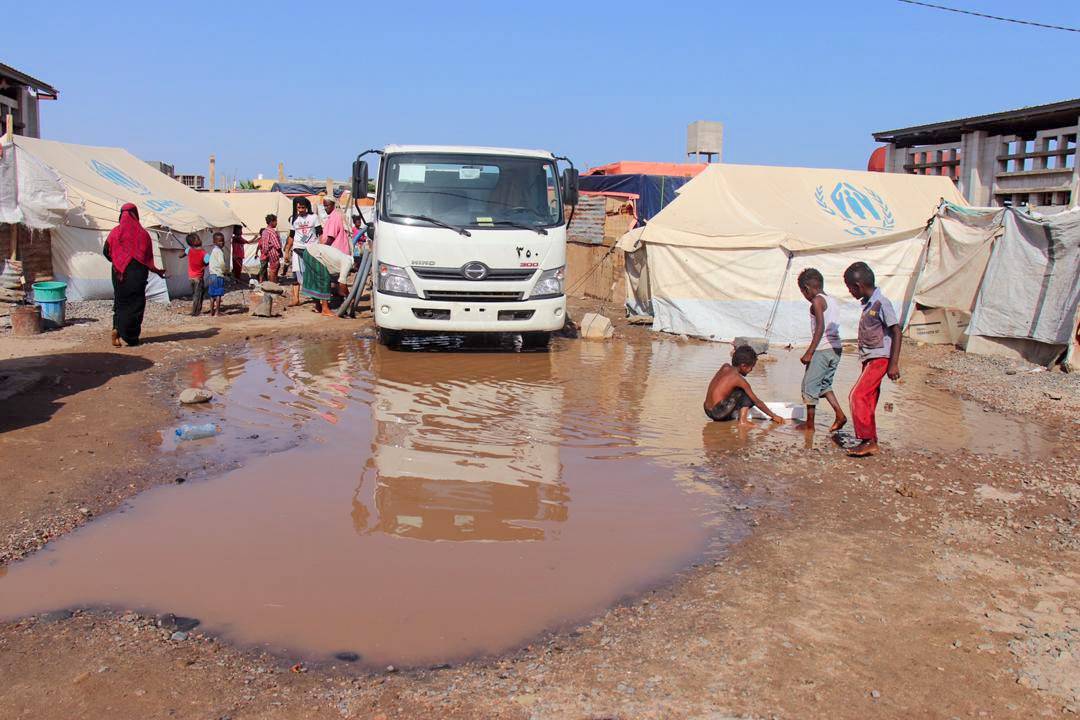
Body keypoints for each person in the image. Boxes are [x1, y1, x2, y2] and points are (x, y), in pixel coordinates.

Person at [844, 261, 902, 457]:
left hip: (880, 358)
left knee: (857, 396)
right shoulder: (868, 305)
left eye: (850, 288)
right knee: (868, 398)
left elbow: (896, 331)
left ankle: (867, 440)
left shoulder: (881, 303)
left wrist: (893, 363)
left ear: (858, 286)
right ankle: (871, 440)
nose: (850, 292)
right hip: (870, 358)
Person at [103, 203, 166, 346]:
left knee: (120, 302)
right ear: (135, 214)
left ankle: (116, 330)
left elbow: (106, 251)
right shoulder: (143, 234)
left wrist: (117, 261)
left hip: (119, 273)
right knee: (136, 303)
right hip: (137, 274)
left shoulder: (115, 232)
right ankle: (131, 337)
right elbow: (148, 256)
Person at [796, 268, 847, 433]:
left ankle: (809, 425)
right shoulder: (831, 300)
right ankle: (839, 414)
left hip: (822, 349)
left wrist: (810, 352)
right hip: (835, 349)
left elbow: (820, 327)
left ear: (807, 289)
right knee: (824, 385)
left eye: (803, 292)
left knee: (809, 386)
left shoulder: (817, 301)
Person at [703, 345, 786, 425]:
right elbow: (757, 401)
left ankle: (732, 417)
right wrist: (773, 416)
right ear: (743, 366)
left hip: (707, 410)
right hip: (717, 413)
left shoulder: (725, 366)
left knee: (736, 390)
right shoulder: (738, 379)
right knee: (745, 392)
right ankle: (743, 421)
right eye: (751, 367)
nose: (751, 370)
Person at [284, 198, 320, 306]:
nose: (300, 210)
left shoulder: (313, 217)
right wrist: (287, 250)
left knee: (313, 273)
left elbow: (320, 232)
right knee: (296, 273)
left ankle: (317, 298)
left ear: (307, 207)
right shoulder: (293, 219)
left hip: (311, 249)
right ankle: (296, 299)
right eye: (298, 207)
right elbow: (291, 235)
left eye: (303, 207)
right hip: (297, 249)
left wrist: (321, 247)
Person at [301, 242, 353, 317]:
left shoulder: (342, 259)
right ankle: (325, 309)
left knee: (315, 280)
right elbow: (342, 283)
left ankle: (318, 306)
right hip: (313, 253)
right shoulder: (347, 262)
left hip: (308, 252)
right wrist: (349, 297)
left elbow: (338, 285)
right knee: (324, 279)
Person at [205, 231, 228, 316]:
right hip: (218, 275)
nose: (221, 243)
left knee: (212, 295)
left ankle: (211, 312)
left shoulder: (213, 251)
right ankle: (217, 312)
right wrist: (225, 271)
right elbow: (221, 263)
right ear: (214, 242)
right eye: (219, 241)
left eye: (222, 241)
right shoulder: (219, 252)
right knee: (218, 294)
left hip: (211, 276)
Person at [185, 233, 207, 317]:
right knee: (199, 294)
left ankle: (196, 310)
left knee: (195, 293)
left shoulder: (188, 250)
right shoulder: (203, 252)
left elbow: (181, 255)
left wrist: (186, 251)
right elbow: (208, 261)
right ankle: (195, 311)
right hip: (198, 277)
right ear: (193, 242)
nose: (200, 239)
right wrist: (204, 265)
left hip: (191, 277)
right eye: (198, 239)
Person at [257, 214, 283, 283]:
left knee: (273, 267)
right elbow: (277, 245)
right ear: (271, 222)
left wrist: (265, 252)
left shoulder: (265, 231)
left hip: (268, 253)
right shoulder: (272, 232)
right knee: (274, 268)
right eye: (275, 221)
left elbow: (264, 244)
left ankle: (273, 281)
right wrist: (280, 252)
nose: (276, 223)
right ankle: (272, 283)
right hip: (274, 252)